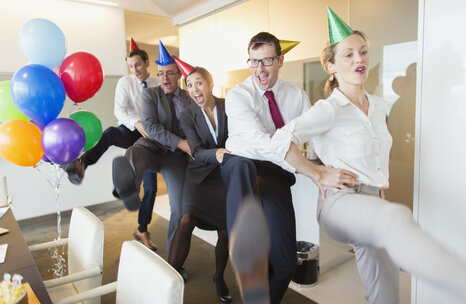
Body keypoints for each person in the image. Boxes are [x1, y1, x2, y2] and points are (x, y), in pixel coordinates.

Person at [268, 7, 466, 303]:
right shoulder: (329, 109)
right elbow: (279, 141)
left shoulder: (378, 106)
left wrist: (380, 190)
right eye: (348, 54)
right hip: (342, 204)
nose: (359, 58)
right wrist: (317, 173)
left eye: (362, 51)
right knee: (396, 218)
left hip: (375, 204)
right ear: (331, 66)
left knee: (386, 296)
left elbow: (375, 160)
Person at [220, 31, 358, 304]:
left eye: (267, 61)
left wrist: (329, 168)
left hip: (277, 174)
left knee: (284, 264)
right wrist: (313, 172)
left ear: (280, 60)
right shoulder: (238, 95)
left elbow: (315, 137)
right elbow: (263, 142)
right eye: (253, 61)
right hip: (242, 165)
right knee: (242, 166)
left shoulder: (296, 95)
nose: (259, 69)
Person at [63, 43, 159, 251]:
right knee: (110, 133)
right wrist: (137, 123)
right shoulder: (125, 83)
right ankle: (82, 163)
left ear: (147, 63)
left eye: (138, 65)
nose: (135, 70)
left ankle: (142, 229)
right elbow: (119, 111)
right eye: (131, 67)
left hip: (151, 139)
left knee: (151, 188)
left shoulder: (158, 84)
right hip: (131, 130)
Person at [112, 41, 193, 254]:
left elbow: (195, 126)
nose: (164, 78)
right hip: (152, 146)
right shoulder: (150, 94)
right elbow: (150, 126)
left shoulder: (189, 98)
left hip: (175, 158)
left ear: (179, 75)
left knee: (179, 208)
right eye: (161, 73)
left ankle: (175, 258)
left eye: (169, 73)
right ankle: (128, 187)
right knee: (134, 152)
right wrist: (181, 142)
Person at [167, 61, 231, 302]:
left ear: (210, 84)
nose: (194, 89)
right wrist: (217, 153)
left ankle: (219, 277)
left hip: (223, 176)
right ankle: (169, 275)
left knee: (226, 231)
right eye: (190, 85)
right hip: (198, 175)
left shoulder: (228, 106)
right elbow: (195, 149)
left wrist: (227, 154)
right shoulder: (187, 114)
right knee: (186, 220)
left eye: (199, 83)